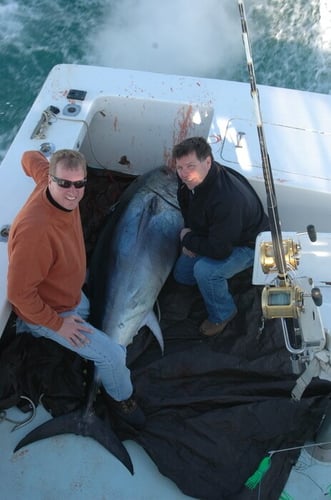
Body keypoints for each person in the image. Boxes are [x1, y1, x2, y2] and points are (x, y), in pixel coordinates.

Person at [7, 149, 145, 429]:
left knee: (98, 313)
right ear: (52, 181)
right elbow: (18, 295)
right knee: (114, 355)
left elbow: (28, 157)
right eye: (65, 184)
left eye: (79, 184)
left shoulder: (47, 176)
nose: (73, 192)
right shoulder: (36, 233)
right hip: (48, 312)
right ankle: (122, 399)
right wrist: (58, 325)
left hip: (68, 291)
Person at [172, 136, 269, 337]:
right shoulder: (189, 181)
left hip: (251, 244)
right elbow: (189, 210)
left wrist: (188, 239)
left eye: (190, 166)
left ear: (208, 161)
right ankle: (199, 291)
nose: (183, 174)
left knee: (205, 271)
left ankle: (222, 313)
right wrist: (191, 237)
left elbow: (220, 250)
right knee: (182, 275)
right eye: (179, 167)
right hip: (217, 233)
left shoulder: (227, 200)